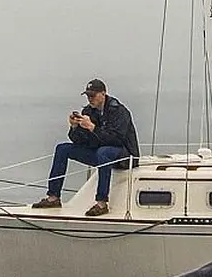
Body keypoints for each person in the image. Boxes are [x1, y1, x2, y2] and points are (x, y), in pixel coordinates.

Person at [32, 78, 140, 216]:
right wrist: (75, 127)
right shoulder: (89, 111)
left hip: (125, 156)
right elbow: (81, 142)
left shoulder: (119, 111)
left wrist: (93, 127)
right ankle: (53, 197)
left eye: (92, 95)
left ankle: (102, 202)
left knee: (103, 151)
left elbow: (117, 139)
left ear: (103, 94)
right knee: (62, 149)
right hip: (102, 154)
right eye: (88, 95)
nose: (90, 99)